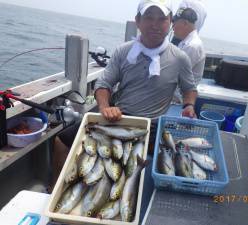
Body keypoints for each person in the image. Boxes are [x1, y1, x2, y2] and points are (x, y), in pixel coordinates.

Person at [50, 0, 198, 190]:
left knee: (128, 171)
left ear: (170, 22)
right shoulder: (123, 51)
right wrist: (105, 107)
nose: (155, 24)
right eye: (149, 17)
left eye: (162, 19)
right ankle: (55, 190)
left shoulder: (180, 58)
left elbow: (189, 88)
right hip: (117, 117)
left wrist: (189, 105)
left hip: (151, 126)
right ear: (137, 21)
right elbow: (104, 85)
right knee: (61, 141)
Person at [172, 5, 206, 85]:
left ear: (185, 23)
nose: (173, 27)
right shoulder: (185, 42)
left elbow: (175, 73)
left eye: (174, 23)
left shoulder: (192, 46)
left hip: (182, 94)